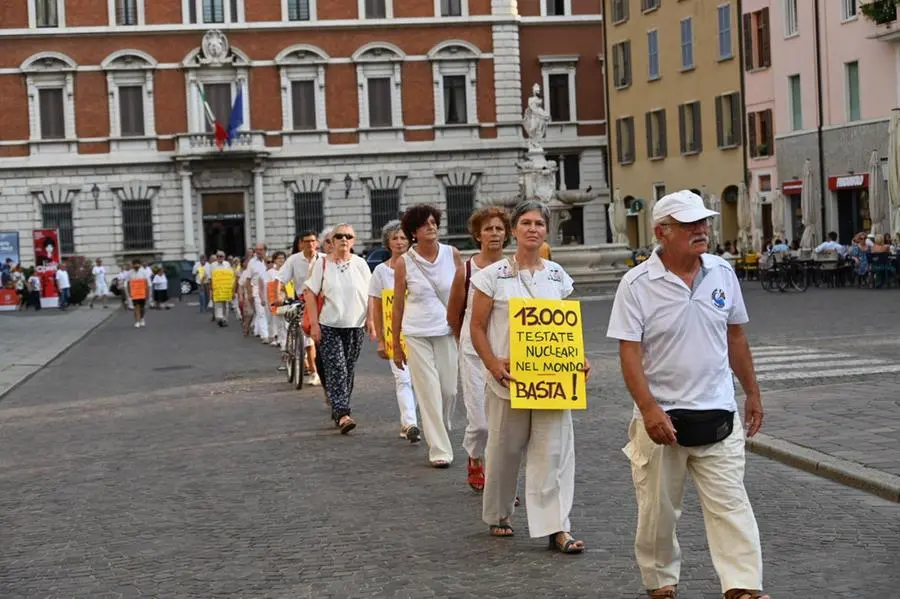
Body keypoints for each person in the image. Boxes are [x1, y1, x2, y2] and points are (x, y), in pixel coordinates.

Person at [607, 190, 769, 599]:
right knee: (658, 513)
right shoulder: (637, 283)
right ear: (662, 232)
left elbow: (736, 336)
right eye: (689, 225)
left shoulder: (722, 272)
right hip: (663, 417)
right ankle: (660, 580)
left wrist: (752, 392)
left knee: (731, 506)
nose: (702, 230)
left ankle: (742, 586)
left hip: (718, 411)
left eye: (704, 222)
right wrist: (648, 409)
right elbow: (629, 352)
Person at [469, 199, 587, 554]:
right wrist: (492, 362)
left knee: (553, 452)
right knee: (504, 450)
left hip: (552, 383)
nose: (533, 229)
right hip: (508, 381)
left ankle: (556, 527)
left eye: (539, 223)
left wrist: (577, 360)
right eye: (526, 223)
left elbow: (567, 328)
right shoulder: (492, 276)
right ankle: (499, 513)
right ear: (514, 230)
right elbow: (476, 326)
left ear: (546, 231)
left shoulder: (557, 276)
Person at [392, 204, 462, 468]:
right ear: (413, 232)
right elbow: (398, 304)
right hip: (416, 333)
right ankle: (439, 449)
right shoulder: (404, 263)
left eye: (434, 222)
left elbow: (462, 291)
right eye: (424, 224)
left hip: (446, 330)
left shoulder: (452, 254)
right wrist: (396, 344)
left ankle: (439, 426)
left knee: (449, 390)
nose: (431, 227)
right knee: (428, 391)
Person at [447, 206, 510, 491]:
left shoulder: (514, 268)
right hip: (474, 354)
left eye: (499, 228)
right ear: (477, 234)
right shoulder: (467, 270)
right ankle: (474, 456)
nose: (494, 233)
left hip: (506, 354)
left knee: (503, 424)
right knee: (481, 421)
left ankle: (498, 482)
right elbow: (454, 314)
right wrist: (466, 342)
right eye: (488, 229)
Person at [304, 224, 372, 434]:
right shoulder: (322, 264)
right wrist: (315, 324)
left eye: (348, 236)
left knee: (348, 369)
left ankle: (338, 407)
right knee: (337, 368)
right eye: (339, 236)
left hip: (356, 325)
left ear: (353, 241)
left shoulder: (360, 264)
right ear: (331, 242)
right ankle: (342, 413)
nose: (344, 239)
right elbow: (309, 293)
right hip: (329, 325)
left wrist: (371, 320)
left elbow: (371, 295)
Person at [367, 220, 420, 443]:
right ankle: (410, 423)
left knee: (418, 379)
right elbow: (377, 303)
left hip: (418, 329)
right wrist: (380, 338)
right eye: (395, 238)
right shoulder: (381, 271)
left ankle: (409, 419)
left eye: (403, 238)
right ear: (387, 242)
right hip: (393, 331)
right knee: (403, 378)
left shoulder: (419, 266)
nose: (399, 242)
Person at [276, 231, 323, 385]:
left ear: (317, 243)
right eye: (307, 241)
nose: (310, 244)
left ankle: (317, 368)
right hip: (302, 300)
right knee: (307, 338)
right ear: (301, 243)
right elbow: (280, 278)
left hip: (321, 301)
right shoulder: (294, 260)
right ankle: (313, 370)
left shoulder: (323, 259)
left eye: (313, 241)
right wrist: (278, 295)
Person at [248, 243, 270, 343]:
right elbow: (248, 279)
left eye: (261, 249)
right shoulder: (252, 263)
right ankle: (265, 335)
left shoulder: (270, 260)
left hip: (270, 288)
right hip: (257, 289)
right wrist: (249, 293)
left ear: (265, 250)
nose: (258, 252)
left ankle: (261, 330)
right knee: (261, 312)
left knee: (269, 312)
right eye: (257, 250)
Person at [209, 251, 235, 326]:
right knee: (218, 304)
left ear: (224, 257)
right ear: (216, 257)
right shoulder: (213, 265)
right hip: (217, 289)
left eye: (221, 256)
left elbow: (231, 276)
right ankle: (220, 318)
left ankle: (225, 319)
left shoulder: (227, 264)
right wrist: (211, 287)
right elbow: (211, 277)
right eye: (218, 256)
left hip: (226, 289)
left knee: (226, 305)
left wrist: (231, 287)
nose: (220, 258)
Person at [268, 251, 287, 346]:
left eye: (282, 258)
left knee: (287, 322)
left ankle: (288, 342)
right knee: (279, 322)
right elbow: (269, 288)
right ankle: (282, 342)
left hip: (287, 298)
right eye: (278, 258)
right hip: (276, 299)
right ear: (274, 260)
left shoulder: (288, 270)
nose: (281, 260)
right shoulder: (271, 273)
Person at [127, 259, 150, 328]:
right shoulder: (130, 273)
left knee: (142, 308)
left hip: (142, 293)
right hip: (135, 293)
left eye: (137, 264)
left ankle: (142, 318)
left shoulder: (144, 272)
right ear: (133, 265)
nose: (136, 266)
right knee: (136, 307)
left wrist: (147, 294)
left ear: (140, 265)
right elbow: (128, 283)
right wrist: (129, 292)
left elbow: (147, 283)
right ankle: (137, 321)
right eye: (134, 265)